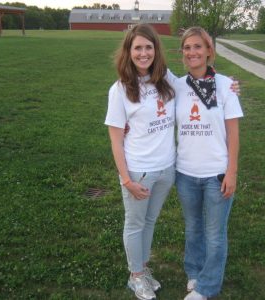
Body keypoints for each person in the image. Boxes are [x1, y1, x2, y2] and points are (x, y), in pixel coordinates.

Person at [104, 23, 176, 300]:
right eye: (138, 48)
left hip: (167, 168)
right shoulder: (120, 89)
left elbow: (196, 87)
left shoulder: (166, 78)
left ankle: (143, 269)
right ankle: (135, 276)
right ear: (129, 51)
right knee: (135, 224)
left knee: (150, 221)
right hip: (139, 171)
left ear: (156, 50)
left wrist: (226, 85)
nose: (144, 53)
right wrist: (127, 180)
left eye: (149, 47)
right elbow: (115, 140)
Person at [174, 27, 243, 300]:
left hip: (217, 174)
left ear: (209, 51)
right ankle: (194, 273)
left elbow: (234, 133)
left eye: (198, 47)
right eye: (187, 47)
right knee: (193, 229)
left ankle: (207, 287)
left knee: (215, 235)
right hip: (186, 174)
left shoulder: (226, 85)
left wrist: (232, 172)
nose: (192, 52)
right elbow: (147, 94)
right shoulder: (177, 85)